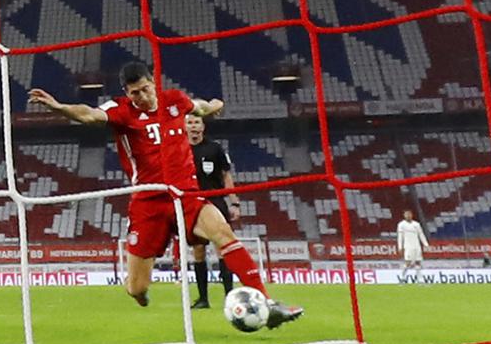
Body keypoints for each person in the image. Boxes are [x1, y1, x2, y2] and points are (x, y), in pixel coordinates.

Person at [27, 61, 302, 328]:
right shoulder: (121, 111)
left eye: (145, 89)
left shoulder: (175, 100)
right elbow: (88, 114)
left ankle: (268, 302)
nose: (141, 97)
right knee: (136, 287)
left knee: (223, 233)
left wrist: (216, 106)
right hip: (148, 202)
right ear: (126, 93)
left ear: (153, 84)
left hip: (186, 195)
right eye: (134, 93)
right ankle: (139, 292)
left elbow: (200, 107)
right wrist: (60, 107)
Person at [185, 114, 241, 309]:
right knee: (198, 251)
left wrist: (234, 202)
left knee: (222, 249)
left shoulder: (215, 148)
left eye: (196, 122)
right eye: (190, 123)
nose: (193, 126)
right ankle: (203, 299)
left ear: (203, 126)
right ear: (184, 127)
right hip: (192, 203)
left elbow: (226, 175)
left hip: (215, 201)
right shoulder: (179, 149)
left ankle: (230, 297)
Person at [396, 209, 429, 281]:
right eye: (406, 214)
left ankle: (420, 280)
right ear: (404, 215)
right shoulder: (401, 225)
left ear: (412, 215)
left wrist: (425, 244)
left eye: (409, 214)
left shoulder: (416, 224)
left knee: (418, 262)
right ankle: (402, 278)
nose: (408, 216)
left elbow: (421, 234)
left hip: (417, 246)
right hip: (408, 246)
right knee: (408, 262)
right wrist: (400, 247)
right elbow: (400, 237)